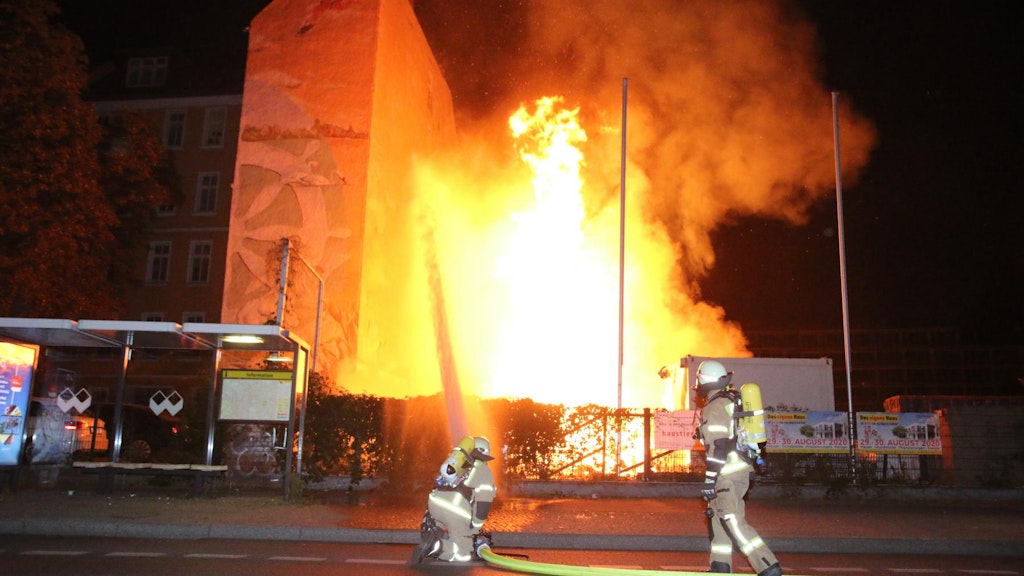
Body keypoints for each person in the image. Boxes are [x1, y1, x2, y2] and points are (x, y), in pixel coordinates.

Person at [694, 360, 782, 576]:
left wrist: (709, 480)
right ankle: (719, 568)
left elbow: (719, 445)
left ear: (703, 381)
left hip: (726, 475)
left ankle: (768, 566)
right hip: (739, 470)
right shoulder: (730, 400)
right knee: (718, 519)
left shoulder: (714, 406)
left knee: (733, 522)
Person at [412, 435, 496, 563]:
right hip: (455, 509)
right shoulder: (484, 470)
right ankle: (436, 546)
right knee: (464, 554)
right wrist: (475, 529)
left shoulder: (456, 464)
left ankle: (430, 538)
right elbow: (483, 505)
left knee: (438, 524)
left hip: (434, 504)